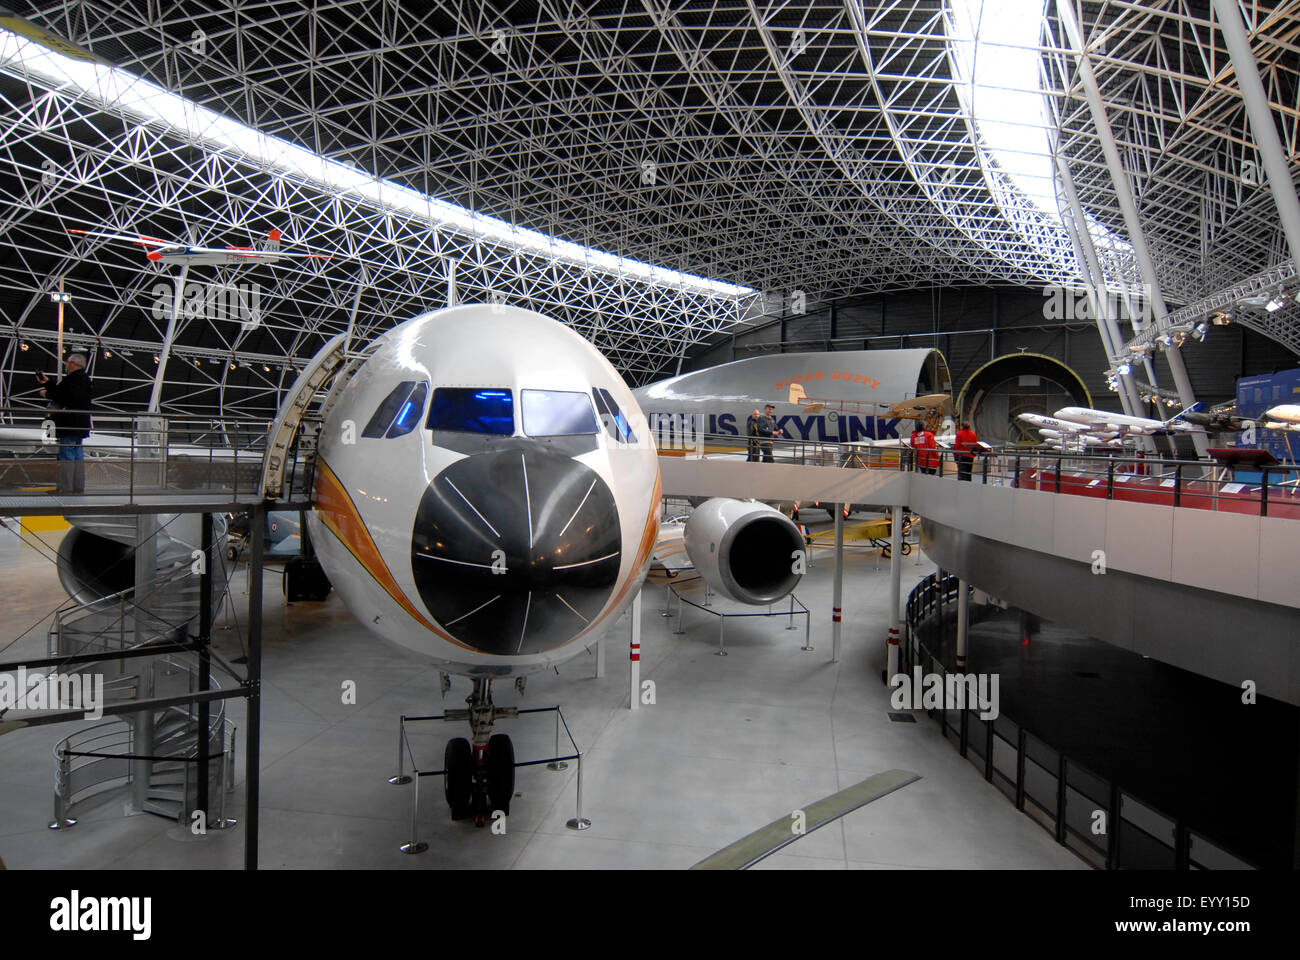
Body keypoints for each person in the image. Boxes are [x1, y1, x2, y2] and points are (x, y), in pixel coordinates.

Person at [37, 353, 93, 494]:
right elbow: (65, 393)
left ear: (74, 364)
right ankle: (77, 487)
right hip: (80, 424)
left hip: (70, 424)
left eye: (68, 362)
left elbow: (64, 397)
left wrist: (46, 394)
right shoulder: (85, 379)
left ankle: (65, 488)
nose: (66, 364)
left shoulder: (73, 379)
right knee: (77, 455)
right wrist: (48, 383)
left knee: (66, 456)